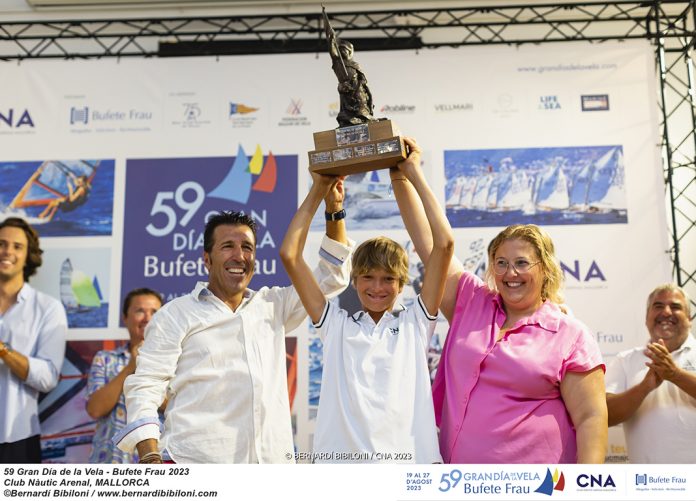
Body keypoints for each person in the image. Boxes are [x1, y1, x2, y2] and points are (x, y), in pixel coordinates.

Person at [114, 201, 352, 464]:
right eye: (228, 246)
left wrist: (334, 208)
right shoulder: (175, 315)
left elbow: (331, 275)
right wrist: (149, 457)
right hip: (196, 468)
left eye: (247, 248)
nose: (239, 256)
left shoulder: (274, 305)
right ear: (206, 259)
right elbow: (145, 386)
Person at [391, 174, 607, 464]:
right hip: (458, 483)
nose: (510, 273)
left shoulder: (570, 334)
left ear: (544, 269)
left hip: (539, 486)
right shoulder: (471, 301)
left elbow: (591, 417)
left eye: (521, 263)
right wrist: (402, 175)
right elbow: (430, 244)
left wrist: (586, 486)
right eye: (501, 263)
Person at [280, 137, 453, 463]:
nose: (377, 287)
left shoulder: (416, 321)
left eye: (388, 279)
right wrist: (320, 189)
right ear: (354, 280)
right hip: (342, 478)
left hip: (411, 475)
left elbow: (444, 245)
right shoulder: (335, 324)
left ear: (402, 284)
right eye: (368, 278)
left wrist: (412, 173)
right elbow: (290, 255)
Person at [0, 217, 67, 463]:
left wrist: (4, 351)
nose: (7, 251)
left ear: (29, 255)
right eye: (1, 243)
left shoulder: (48, 308)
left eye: (17, 246)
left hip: (17, 440)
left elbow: (48, 377)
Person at [606, 284, 696, 463]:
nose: (666, 312)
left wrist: (675, 375)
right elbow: (605, 415)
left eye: (676, 306)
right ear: (647, 318)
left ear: (689, 318)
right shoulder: (625, 360)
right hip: (647, 484)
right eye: (658, 306)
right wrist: (644, 388)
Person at [86, 288, 163, 463]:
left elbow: (176, 407)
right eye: (140, 311)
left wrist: (147, 367)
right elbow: (95, 409)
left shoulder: (175, 360)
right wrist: (130, 367)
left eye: (154, 312)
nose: (148, 318)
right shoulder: (104, 359)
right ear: (125, 318)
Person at [323, 7, 375, 126]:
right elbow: (332, 49)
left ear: (350, 52)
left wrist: (361, 84)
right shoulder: (337, 62)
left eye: (346, 50)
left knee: (362, 103)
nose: (343, 52)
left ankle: (364, 117)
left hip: (358, 87)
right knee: (349, 109)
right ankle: (351, 119)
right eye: (341, 50)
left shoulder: (355, 64)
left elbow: (362, 77)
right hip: (346, 88)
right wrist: (331, 39)